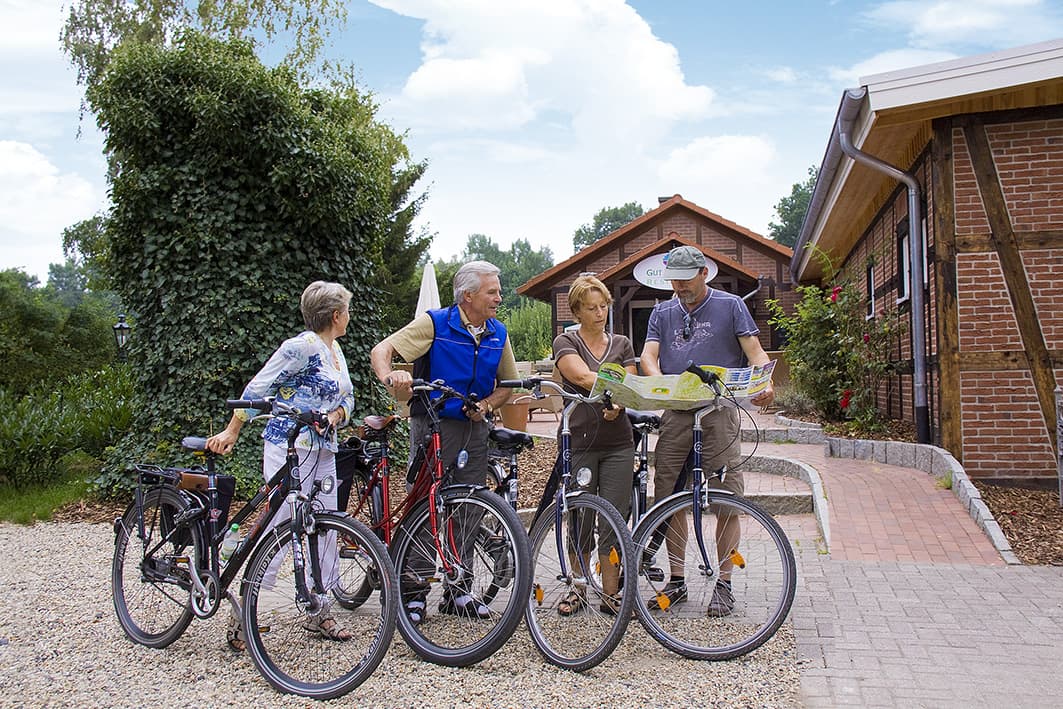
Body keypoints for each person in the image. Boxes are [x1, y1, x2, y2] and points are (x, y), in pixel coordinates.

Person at [206, 280, 356, 650]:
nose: (349, 316)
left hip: (323, 450)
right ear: (335, 315)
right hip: (289, 447)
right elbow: (257, 390)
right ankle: (243, 614)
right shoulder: (300, 347)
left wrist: (338, 414)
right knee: (280, 528)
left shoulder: (335, 349)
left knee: (323, 527)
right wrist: (232, 430)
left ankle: (319, 609)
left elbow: (349, 397)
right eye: (347, 311)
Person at [370, 260, 518, 623]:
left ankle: (459, 591)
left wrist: (485, 404)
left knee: (468, 509)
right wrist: (392, 378)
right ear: (467, 295)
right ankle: (413, 591)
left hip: (474, 429)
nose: (499, 297)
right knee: (425, 504)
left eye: (498, 291)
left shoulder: (498, 332)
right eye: (492, 291)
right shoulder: (435, 323)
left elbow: (508, 387)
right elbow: (381, 351)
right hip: (432, 425)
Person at [640, 245, 775, 617]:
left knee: (726, 496)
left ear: (703, 273)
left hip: (720, 410)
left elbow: (755, 352)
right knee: (668, 494)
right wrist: (660, 381)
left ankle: (725, 582)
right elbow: (649, 355)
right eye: (674, 281)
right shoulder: (662, 311)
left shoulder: (731, 305)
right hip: (677, 411)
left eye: (685, 281)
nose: (679, 287)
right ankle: (678, 580)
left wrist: (765, 382)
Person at [552, 275, 638, 616]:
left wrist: (620, 402)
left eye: (603, 306)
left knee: (615, 519)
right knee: (581, 517)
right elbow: (580, 376)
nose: (600, 313)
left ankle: (611, 593)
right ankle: (578, 587)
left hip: (619, 443)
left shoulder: (622, 343)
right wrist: (613, 391)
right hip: (582, 442)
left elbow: (631, 382)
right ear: (577, 310)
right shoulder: (566, 341)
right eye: (591, 307)